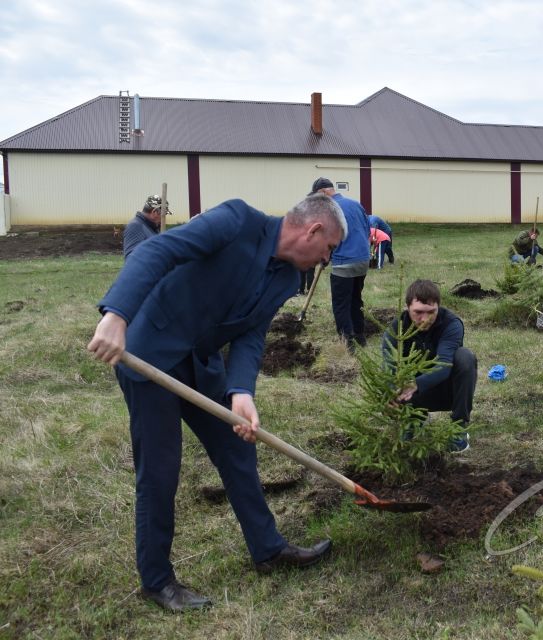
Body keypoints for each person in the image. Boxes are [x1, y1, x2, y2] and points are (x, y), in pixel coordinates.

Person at [86, 195, 347, 612]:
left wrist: (241, 390)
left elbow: (251, 335)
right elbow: (159, 249)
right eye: (329, 249)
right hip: (150, 350)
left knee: (237, 449)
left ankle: (268, 549)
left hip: (201, 364)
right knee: (159, 468)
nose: (327, 260)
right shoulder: (237, 221)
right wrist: (117, 314)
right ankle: (156, 580)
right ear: (313, 230)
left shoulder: (285, 280)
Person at [382, 279, 476, 453]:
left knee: (465, 357)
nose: (424, 319)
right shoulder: (397, 329)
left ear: (438, 307)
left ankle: (459, 428)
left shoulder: (451, 324)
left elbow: (443, 365)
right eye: (418, 312)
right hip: (409, 395)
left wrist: (415, 384)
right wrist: (391, 392)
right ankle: (412, 419)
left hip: (446, 390)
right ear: (407, 307)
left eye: (431, 312)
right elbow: (388, 367)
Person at [309, 178, 371, 351]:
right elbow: (367, 230)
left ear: (323, 193)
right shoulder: (356, 204)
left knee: (340, 303)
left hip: (345, 262)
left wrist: (324, 257)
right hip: (363, 260)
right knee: (355, 299)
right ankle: (360, 336)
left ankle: (347, 342)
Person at [123, 195, 170, 260]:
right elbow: (131, 259)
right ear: (155, 212)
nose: (164, 218)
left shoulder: (152, 227)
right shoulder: (135, 226)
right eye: (164, 215)